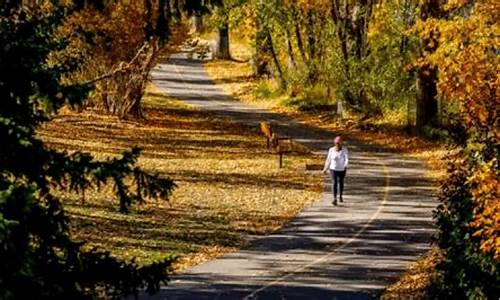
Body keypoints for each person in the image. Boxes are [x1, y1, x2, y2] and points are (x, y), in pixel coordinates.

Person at [322, 136, 349, 205]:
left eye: (339, 143)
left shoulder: (344, 150)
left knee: (341, 182)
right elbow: (328, 160)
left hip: (342, 169)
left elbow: (346, 159)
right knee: (334, 182)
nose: (337, 145)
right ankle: (334, 198)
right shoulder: (331, 150)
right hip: (333, 169)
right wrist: (325, 168)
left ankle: (340, 195)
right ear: (335, 143)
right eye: (336, 143)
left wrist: (345, 165)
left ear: (341, 143)